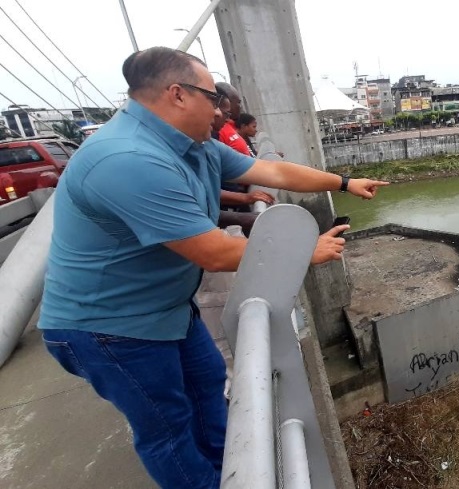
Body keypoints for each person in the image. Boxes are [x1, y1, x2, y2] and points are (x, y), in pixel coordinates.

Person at [37, 46, 388, 489]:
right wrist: (301, 250)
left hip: (169, 311)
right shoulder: (127, 160)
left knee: (210, 394)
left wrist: (344, 182)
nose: (222, 109)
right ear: (178, 94)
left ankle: (233, 475)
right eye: (213, 98)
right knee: (169, 431)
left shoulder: (193, 147)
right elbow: (213, 253)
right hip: (111, 327)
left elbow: (274, 173)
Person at [212, 96, 273, 210]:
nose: (240, 106)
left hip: (238, 193)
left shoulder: (227, 130)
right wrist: (244, 197)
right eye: (238, 102)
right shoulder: (216, 134)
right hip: (230, 200)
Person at [215, 82, 252, 156]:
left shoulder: (233, 127)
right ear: (227, 101)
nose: (240, 106)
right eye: (238, 102)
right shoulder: (218, 129)